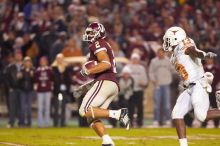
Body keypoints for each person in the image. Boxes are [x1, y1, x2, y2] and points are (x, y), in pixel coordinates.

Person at [163, 26, 220, 146]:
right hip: (189, 87)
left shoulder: (184, 43)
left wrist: (203, 55)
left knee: (201, 116)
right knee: (177, 113)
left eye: (168, 39)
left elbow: (192, 50)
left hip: (198, 83)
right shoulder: (173, 55)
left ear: (175, 38)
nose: (166, 41)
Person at [79, 22, 130, 146]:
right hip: (111, 83)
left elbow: (106, 63)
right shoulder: (101, 44)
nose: (88, 35)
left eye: (91, 32)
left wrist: (88, 70)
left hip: (106, 81)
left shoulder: (97, 43)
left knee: (84, 110)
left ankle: (119, 114)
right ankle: (107, 141)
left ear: (98, 33)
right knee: (91, 116)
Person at [149, 48, 173, 127]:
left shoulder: (169, 60)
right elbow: (151, 72)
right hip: (157, 85)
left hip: (166, 84)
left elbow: (173, 70)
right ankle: (156, 120)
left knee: (167, 104)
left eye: (161, 53)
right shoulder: (153, 61)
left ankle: (168, 120)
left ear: (164, 53)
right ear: (157, 53)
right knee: (157, 104)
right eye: (158, 53)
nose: (160, 54)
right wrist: (153, 80)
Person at [123, 53, 148, 127]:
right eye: (133, 59)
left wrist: (143, 83)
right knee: (131, 107)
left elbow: (145, 80)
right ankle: (130, 122)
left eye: (136, 59)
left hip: (139, 90)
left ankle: (140, 122)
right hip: (130, 91)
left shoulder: (141, 68)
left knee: (140, 107)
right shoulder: (128, 67)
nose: (135, 61)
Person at [51, 53, 71, 127]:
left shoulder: (66, 68)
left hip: (64, 90)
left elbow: (69, 79)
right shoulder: (54, 68)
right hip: (56, 90)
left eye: (61, 58)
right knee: (56, 107)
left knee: (63, 107)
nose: (59, 60)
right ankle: (55, 123)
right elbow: (52, 79)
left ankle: (62, 123)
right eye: (58, 58)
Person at [4, 51, 23, 127]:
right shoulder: (10, 67)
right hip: (13, 88)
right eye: (17, 55)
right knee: (12, 106)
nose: (18, 57)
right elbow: (6, 78)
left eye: (19, 55)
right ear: (15, 57)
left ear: (21, 56)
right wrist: (10, 87)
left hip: (22, 89)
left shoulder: (24, 66)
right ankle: (11, 122)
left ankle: (21, 122)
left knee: (21, 107)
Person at [34, 56, 53, 127]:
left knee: (47, 108)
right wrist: (36, 89)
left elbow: (52, 80)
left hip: (47, 90)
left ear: (46, 62)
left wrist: (51, 90)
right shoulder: (37, 70)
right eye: (41, 61)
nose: (43, 62)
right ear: (40, 62)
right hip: (40, 91)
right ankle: (40, 123)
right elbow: (35, 81)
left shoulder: (49, 70)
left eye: (44, 61)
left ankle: (47, 123)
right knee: (40, 108)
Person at [19, 56, 35, 127]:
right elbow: (19, 81)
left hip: (30, 91)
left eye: (28, 61)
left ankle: (29, 123)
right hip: (23, 90)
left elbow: (35, 81)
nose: (27, 62)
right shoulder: (21, 70)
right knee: (22, 107)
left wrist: (32, 76)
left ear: (30, 62)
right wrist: (19, 77)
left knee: (29, 107)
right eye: (26, 61)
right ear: (24, 62)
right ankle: (22, 122)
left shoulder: (33, 70)